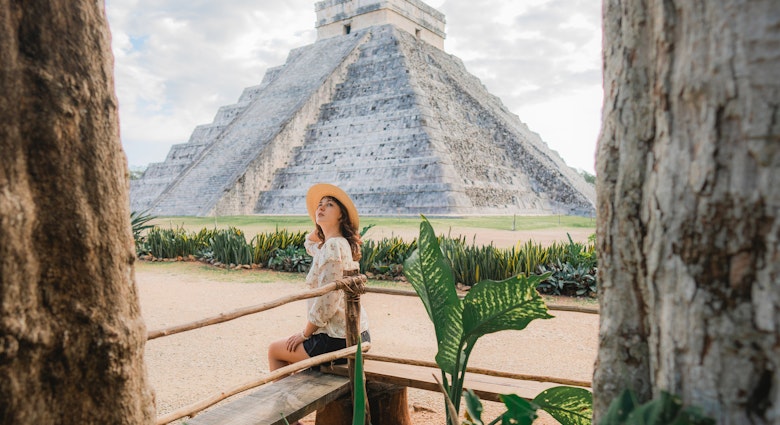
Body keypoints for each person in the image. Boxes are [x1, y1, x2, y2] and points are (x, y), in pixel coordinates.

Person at [267, 183, 370, 372]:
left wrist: (304, 334)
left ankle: (287, 401)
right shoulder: (333, 245)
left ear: (342, 215)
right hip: (355, 334)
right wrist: (322, 227)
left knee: (274, 350)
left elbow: (327, 301)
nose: (321, 207)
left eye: (329, 205)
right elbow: (309, 244)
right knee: (289, 354)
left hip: (337, 339)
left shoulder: (332, 247)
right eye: (319, 205)